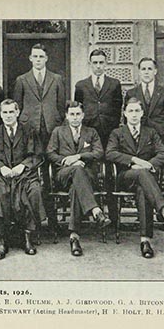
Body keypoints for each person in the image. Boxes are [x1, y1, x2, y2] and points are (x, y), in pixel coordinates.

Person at [106, 97, 164, 259]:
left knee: (143, 189)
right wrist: (134, 161)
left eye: (137, 111)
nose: (134, 114)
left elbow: (163, 153)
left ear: (142, 113)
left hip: (145, 179)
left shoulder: (151, 132)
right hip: (125, 178)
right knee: (142, 175)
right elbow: (110, 153)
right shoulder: (117, 133)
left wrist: (148, 164)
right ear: (125, 114)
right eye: (130, 111)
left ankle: (145, 241)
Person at [0, 99, 46, 260]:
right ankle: (2, 240)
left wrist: (23, 165)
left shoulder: (29, 131)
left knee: (34, 190)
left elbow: (37, 155)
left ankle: (28, 237)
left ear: (18, 112)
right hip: (1, 175)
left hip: (24, 174)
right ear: (0, 114)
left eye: (11, 112)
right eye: (4, 112)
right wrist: (1, 167)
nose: (8, 116)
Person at [13, 43, 65, 234]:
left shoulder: (57, 79)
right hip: (30, 133)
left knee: (49, 176)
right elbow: (17, 107)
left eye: (41, 56)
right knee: (32, 175)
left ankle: (52, 221)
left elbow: (60, 107)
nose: (38, 60)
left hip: (51, 132)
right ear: (30, 58)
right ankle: (30, 220)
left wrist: (58, 126)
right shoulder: (21, 80)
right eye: (35, 56)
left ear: (46, 59)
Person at [47, 101, 111, 256]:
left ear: (83, 116)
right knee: (76, 170)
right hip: (64, 174)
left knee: (76, 188)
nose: (75, 118)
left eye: (78, 114)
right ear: (67, 116)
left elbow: (99, 152)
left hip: (87, 175)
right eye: (72, 114)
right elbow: (50, 153)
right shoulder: (58, 132)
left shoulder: (91, 132)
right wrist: (66, 160)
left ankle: (74, 237)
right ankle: (95, 210)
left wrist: (79, 156)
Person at [74, 49, 123, 148]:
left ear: (106, 63)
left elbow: (118, 107)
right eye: (95, 62)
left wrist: (114, 126)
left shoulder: (114, 84)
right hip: (88, 129)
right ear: (90, 64)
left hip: (109, 129)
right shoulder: (81, 85)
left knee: (108, 157)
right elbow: (78, 107)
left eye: (101, 62)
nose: (98, 66)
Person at [124, 57, 164, 153]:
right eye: (143, 69)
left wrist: (163, 131)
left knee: (159, 164)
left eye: (149, 69)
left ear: (155, 71)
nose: (146, 72)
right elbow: (127, 118)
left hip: (160, 137)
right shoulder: (131, 93)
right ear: (139, 72)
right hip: (138, 139)